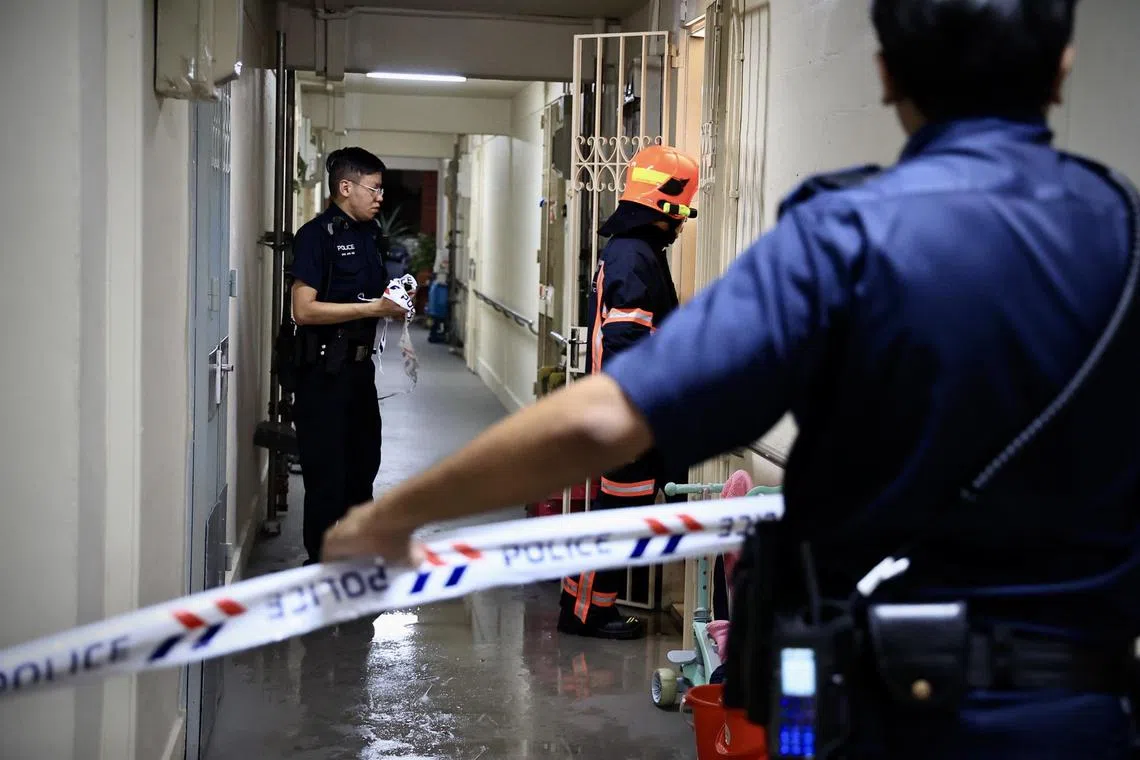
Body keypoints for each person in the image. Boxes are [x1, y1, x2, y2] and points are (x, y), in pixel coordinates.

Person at [324, 1, 1140, 756]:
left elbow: (605, 419)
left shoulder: (844, 239)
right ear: (1064, 64)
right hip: (1081, 716)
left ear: (886, 72)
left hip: (870, 712)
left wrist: (402, 511)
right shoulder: (1126, 236)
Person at [558, 145, 698, 641]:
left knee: (618, 513)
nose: (681, 227)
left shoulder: (631, 251)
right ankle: (586, 615)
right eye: (678, 215)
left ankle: (585, 604)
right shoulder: (635, 256)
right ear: (660, 209)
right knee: (619, 517)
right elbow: (627, 338)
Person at [289, 147, 409, 566]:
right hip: (322, 373)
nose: (380, 197)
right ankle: (319, 567)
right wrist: (373, 309)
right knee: (327, 479)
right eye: (373, 188)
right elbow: (303, 310)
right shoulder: (315, 237)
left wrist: (392, 301)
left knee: (363, 470)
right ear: (346, 187)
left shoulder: (371, 235)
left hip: (360, 374)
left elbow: (370, 297)